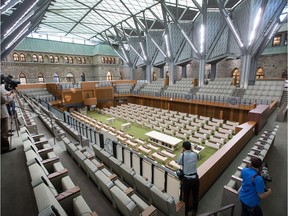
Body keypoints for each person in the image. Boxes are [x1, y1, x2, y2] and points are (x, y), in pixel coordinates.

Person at [176, 141, 200, 216]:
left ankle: (185, 213)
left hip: (186, 179)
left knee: (186, 198)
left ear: (183, 148)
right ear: (190, 147)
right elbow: (198, 158)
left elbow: (179, 163)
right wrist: (192, 151)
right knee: (195, 196)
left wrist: (182, 153)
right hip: (195, 179)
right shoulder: (195, 154)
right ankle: (194, 212)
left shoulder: (182, 155)